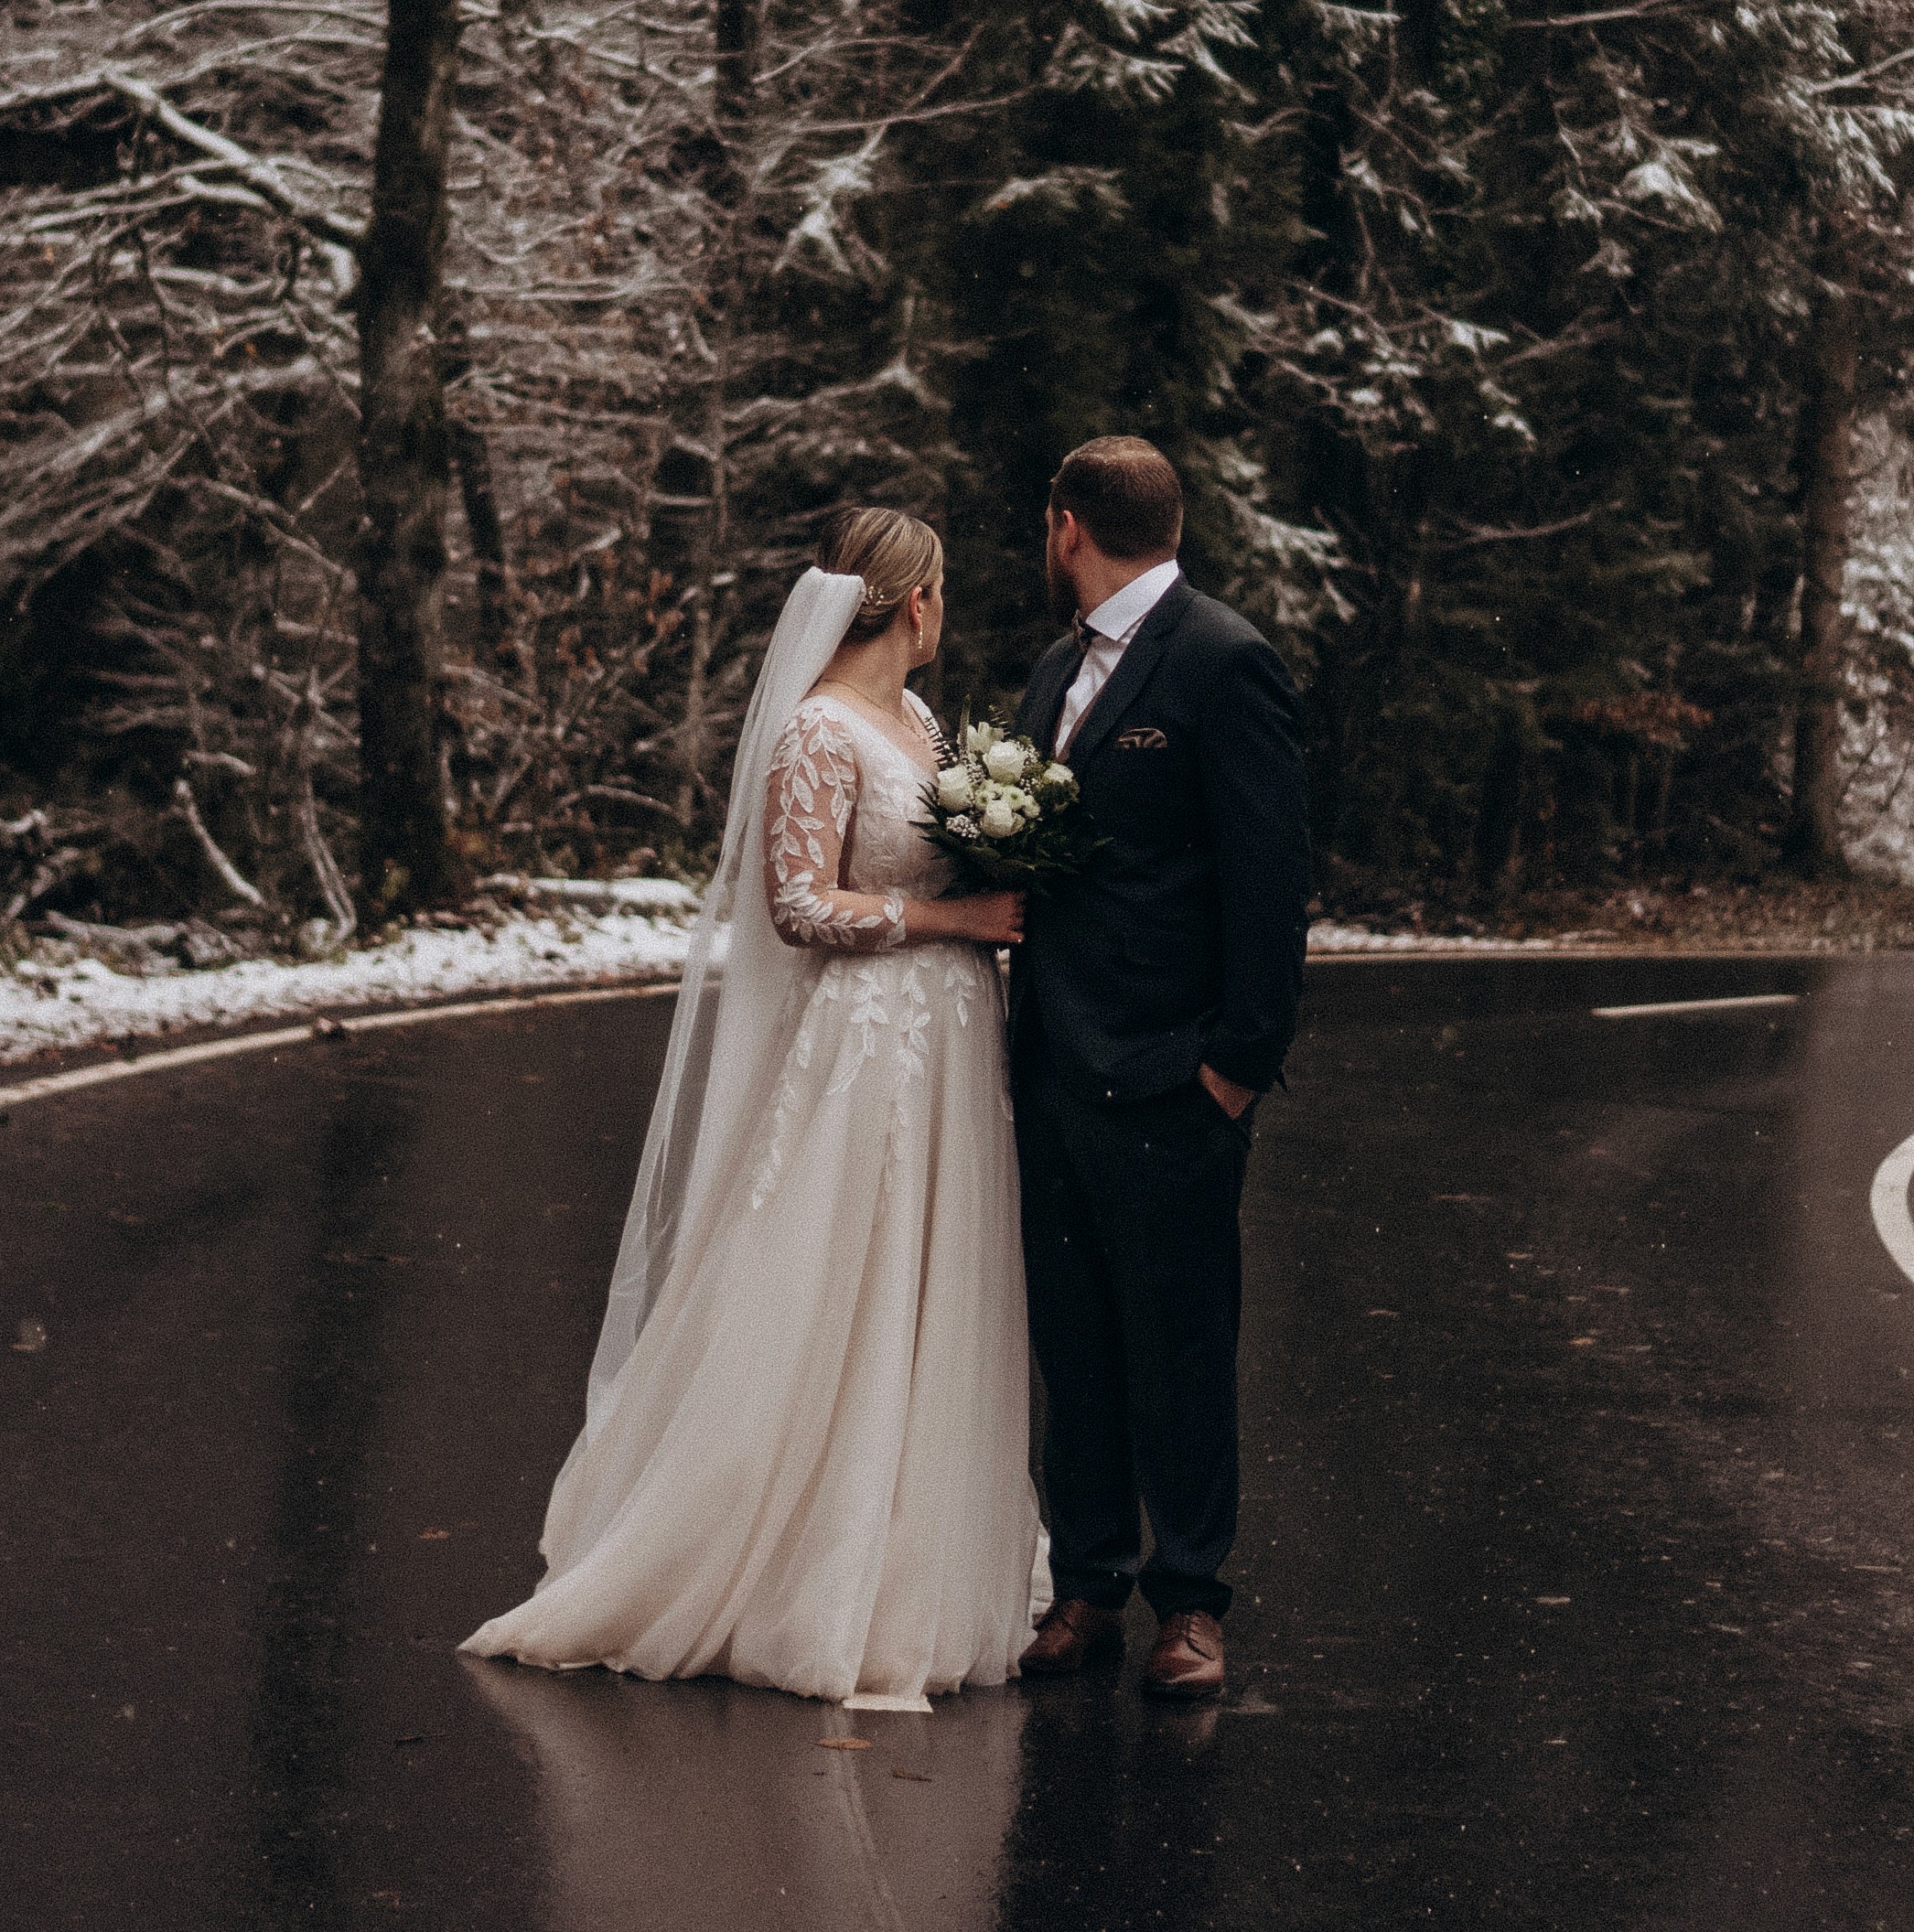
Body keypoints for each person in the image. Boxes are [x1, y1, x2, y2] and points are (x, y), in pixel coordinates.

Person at [463, 507, 1044, 1707]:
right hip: (869, 1049)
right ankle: (788, 1560)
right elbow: (796, 906)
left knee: (933, 1287)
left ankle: (910, 1546)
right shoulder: (818, 732)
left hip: (948, 1047)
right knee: (848, 1282)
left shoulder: (924, 724)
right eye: (941, 588)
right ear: (914, 600)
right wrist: (957, 920)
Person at [1006, 436, 1312, 1701]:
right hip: (1052, 1073)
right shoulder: (1048, 679)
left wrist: (1235, 1068)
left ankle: (1192, 1601)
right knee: (1072, 1343)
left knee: (1180, 1345)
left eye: (1049, 527)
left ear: (1067, 525)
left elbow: (1270, 882)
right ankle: (1087, 1585)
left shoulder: (1224, 660)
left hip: (1174, 1079)